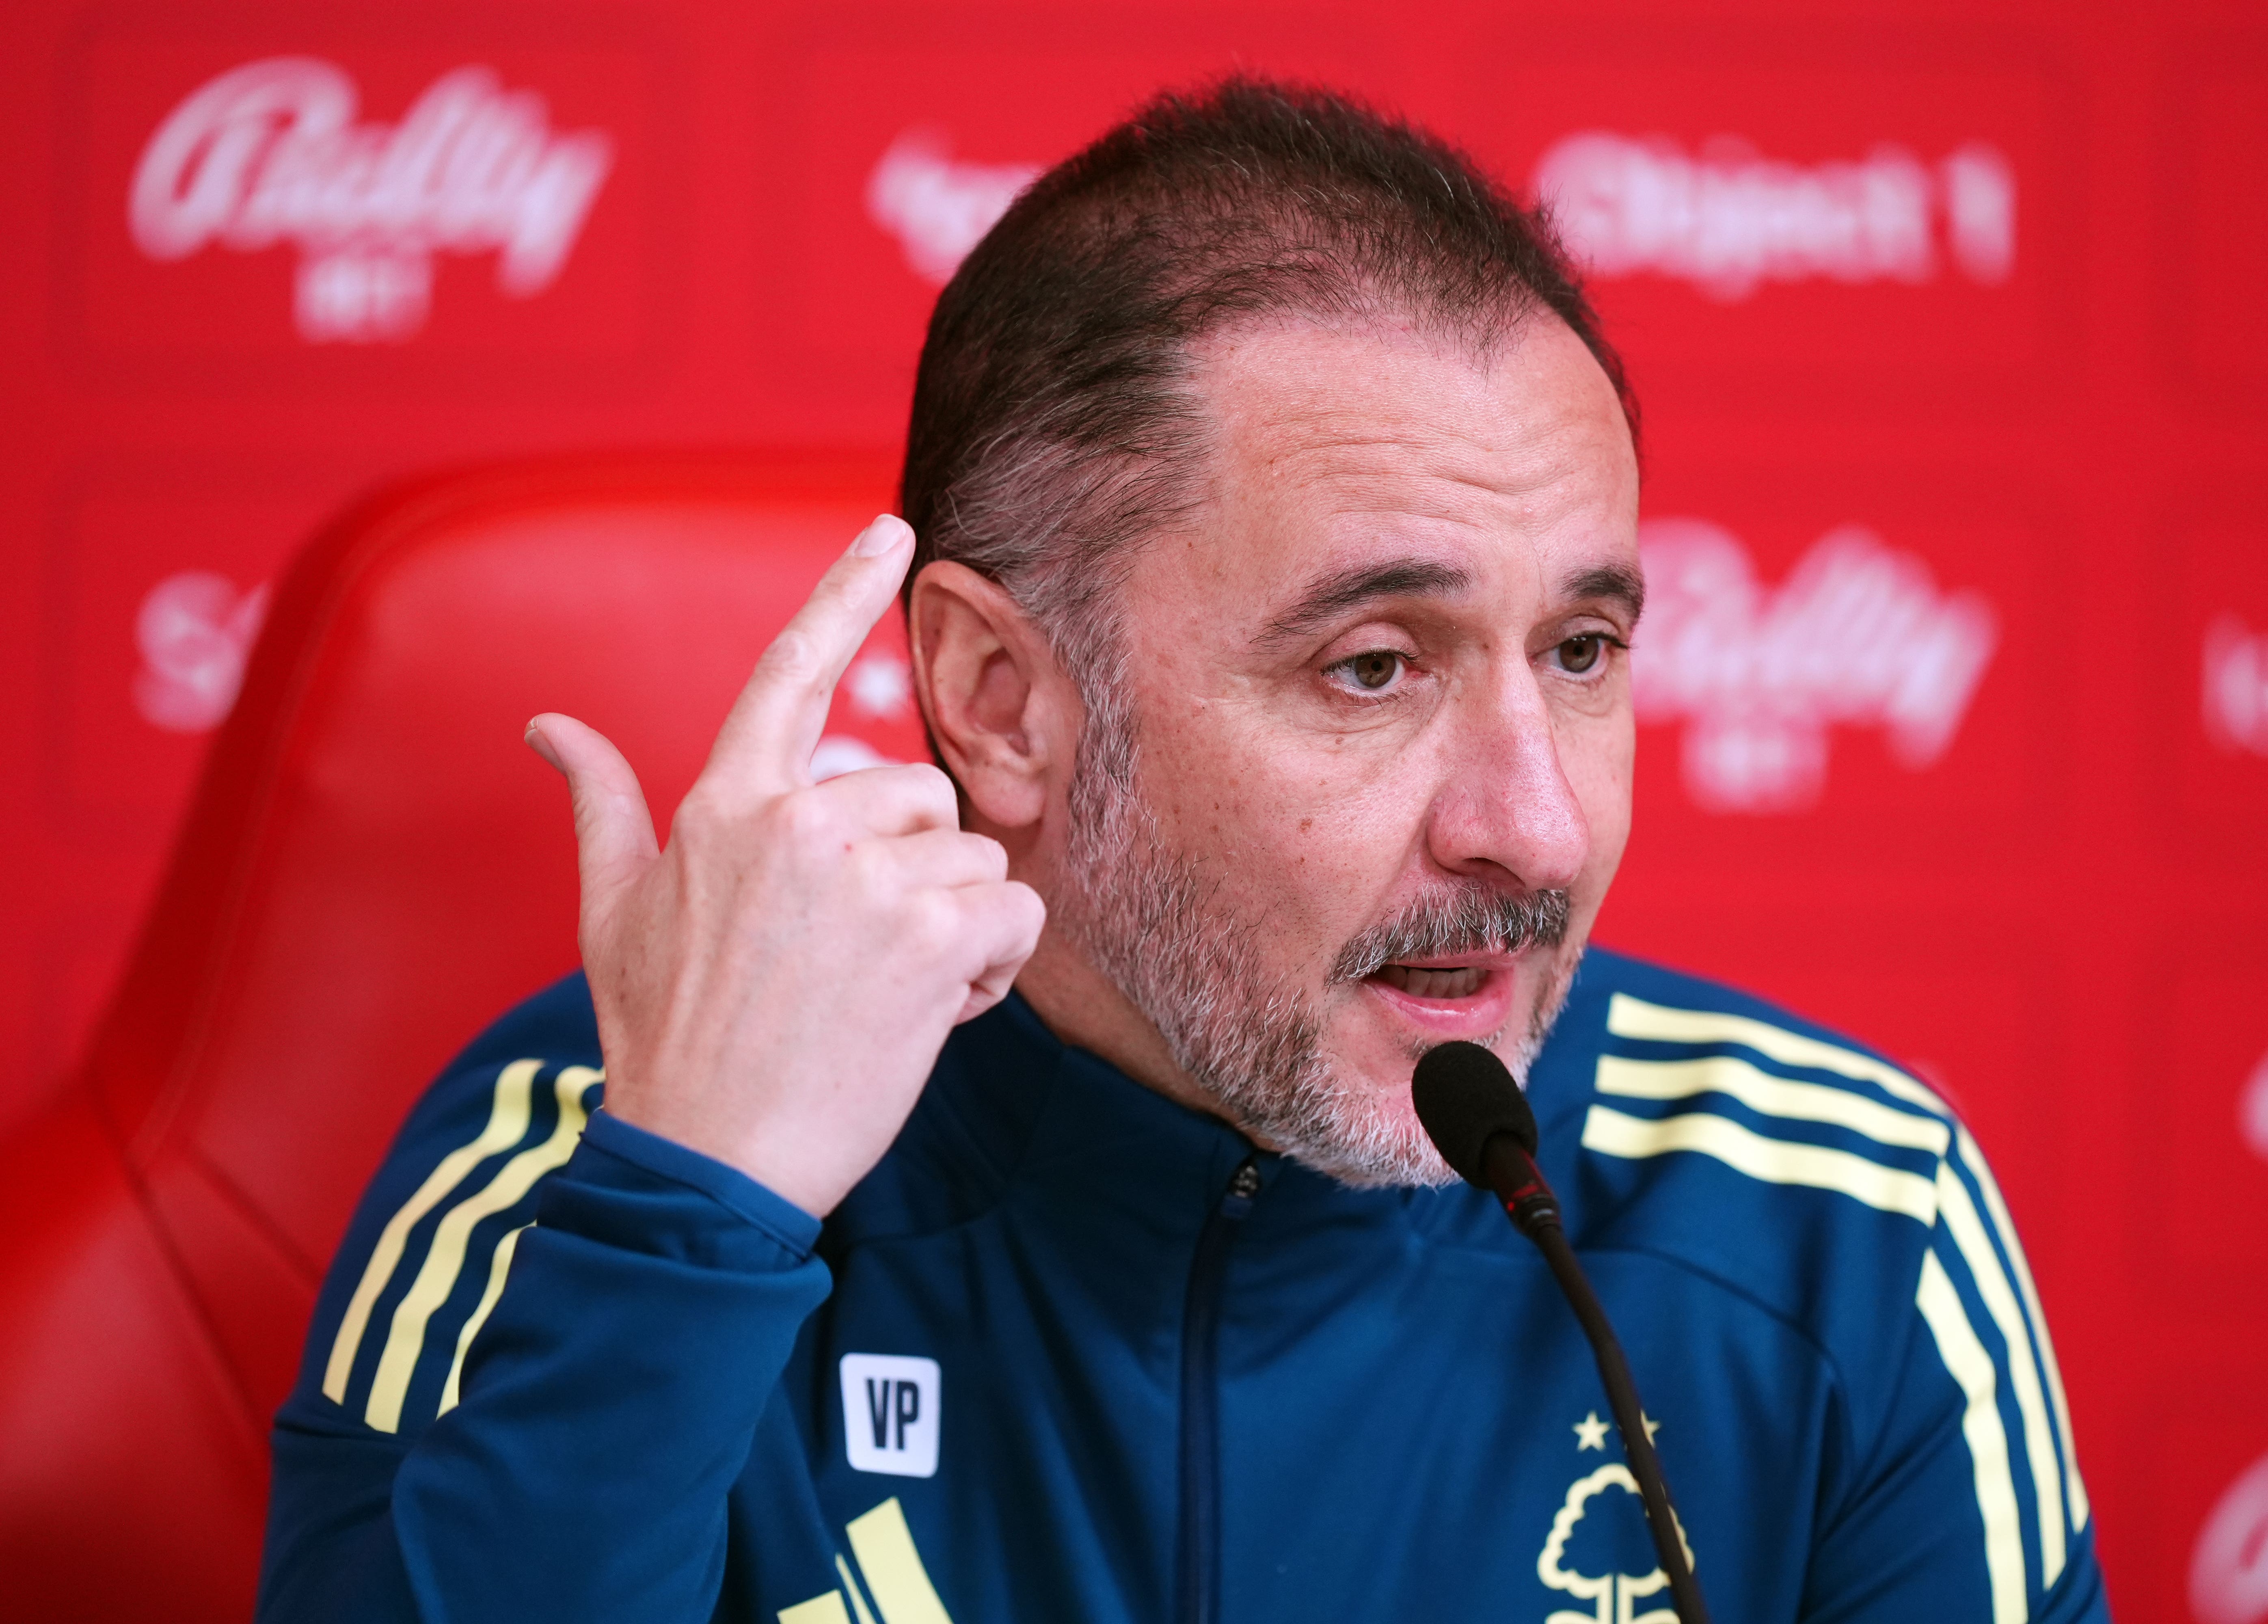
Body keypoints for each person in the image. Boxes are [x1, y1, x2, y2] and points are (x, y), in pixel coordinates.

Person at [257, 79, 2109, 1624]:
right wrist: (689, 1217)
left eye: (1584, 650)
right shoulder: (596, 1167)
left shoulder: (1846, 1223)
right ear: (1002, 701)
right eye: (1372, 667)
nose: (1536, 824)